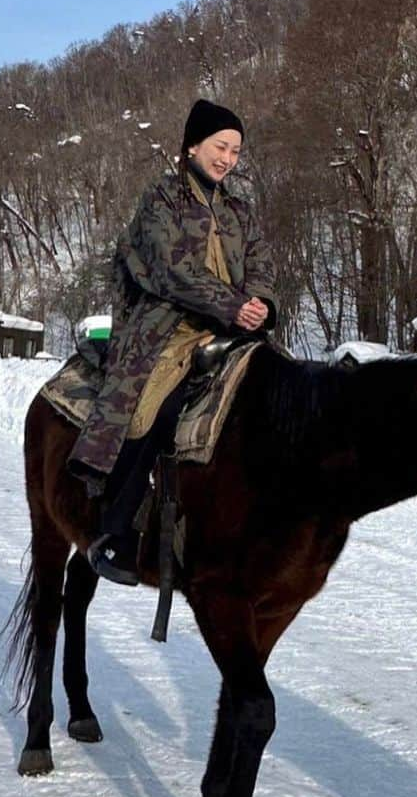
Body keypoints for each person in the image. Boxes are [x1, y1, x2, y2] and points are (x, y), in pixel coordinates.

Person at [67, 98, 277, 583]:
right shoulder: (161, 200)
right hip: (165, 327)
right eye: (220, 146)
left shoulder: (240, 211)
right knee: (156, 411)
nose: (227, 158)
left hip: (233, 328)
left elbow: (263, 262)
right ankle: (114, 533)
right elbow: (170, 269)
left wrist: (261, 302)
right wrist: (230, 304)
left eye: (235, 150)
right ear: (192, 146)